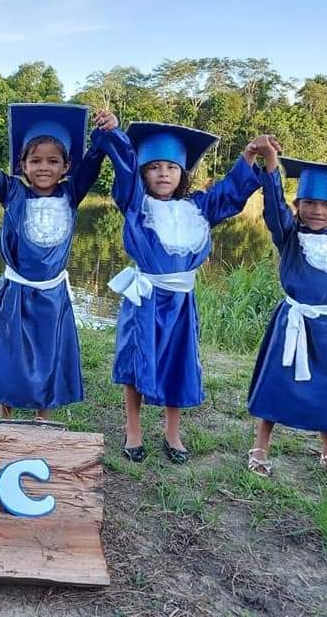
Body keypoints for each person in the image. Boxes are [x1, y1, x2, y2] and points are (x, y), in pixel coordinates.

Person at [93, 117, 265, 464]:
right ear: (143, 173)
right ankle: (134, 428)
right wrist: (113, 133)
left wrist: (247, 157)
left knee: (177, 362)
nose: (163, 174)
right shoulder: (136, 205)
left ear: (183, 172)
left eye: (171, 167)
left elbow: (230, 194)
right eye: (153, 167)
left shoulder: (198, 208)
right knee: (136, 362)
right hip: (144, 297)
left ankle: (172, 431)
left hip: (181, 302)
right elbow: (124, 170)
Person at [246, 141, 327, 483]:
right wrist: (272, 166)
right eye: (310, 203)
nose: (318, 210)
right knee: (279, 383)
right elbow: (273, 210)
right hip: (295, 321)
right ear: (298, 204)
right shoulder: (289, 236)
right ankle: (260, 446)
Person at [0, 103, 105, 419]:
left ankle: (42, 417)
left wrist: (103, 133)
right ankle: (5, 414)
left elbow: (92, 164)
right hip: (16, 291)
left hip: (52, 294)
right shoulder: (13, 192)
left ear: (65, 166)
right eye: (35, 160)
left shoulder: (71, 194)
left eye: (52, 161)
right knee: (9, 352)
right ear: (23, 165)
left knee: (48, 353)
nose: (43, 167)